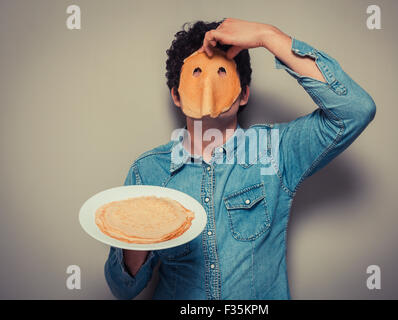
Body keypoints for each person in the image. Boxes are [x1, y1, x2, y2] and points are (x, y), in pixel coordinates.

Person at [104, 17, 376, 299]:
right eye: (196, 72)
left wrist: (268, 36)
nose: (209, 84)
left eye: (222, 71)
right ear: (177, 96)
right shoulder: (147, 173)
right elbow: (123, 288)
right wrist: (139, 228)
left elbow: (355, 110)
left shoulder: (275, 152)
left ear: (244, 94)